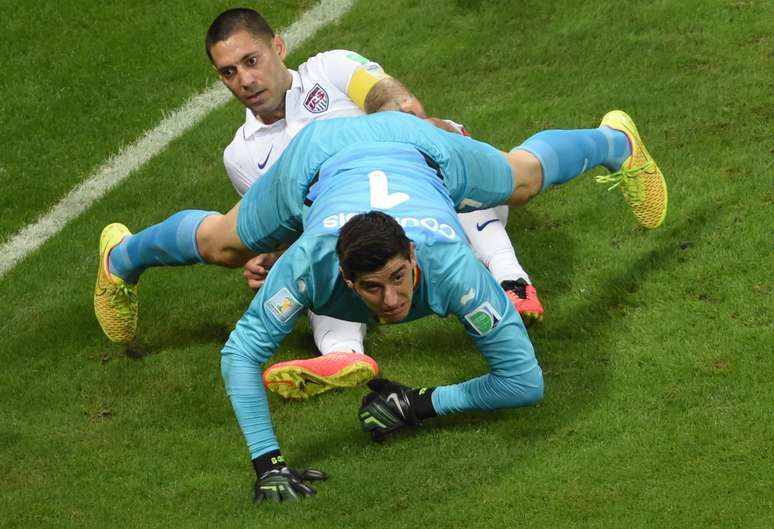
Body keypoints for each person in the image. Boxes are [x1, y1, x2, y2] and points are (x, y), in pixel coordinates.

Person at [94, 109, 667, 502]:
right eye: (372, 289)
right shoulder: (308, 262)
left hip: (416, 145)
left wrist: (423, 405)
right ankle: (121, 258)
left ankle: (617, 142)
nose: (392, 301)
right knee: (225, 243)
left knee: (519, 180)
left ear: (412, 255)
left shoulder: (453, 268)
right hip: (315, 160)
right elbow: (240, 354)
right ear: (343, 277)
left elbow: (525, 383)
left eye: (398, 278)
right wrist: (267, 462)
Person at [206, 8, 542, 394]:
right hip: (359, 236)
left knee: (443, 188)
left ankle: (510, 279)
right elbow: (292, 231)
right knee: (324, 259)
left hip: (419, 178)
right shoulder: (240, 156)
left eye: (251, 61)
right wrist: (270, 257)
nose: (245, 80)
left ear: (278, 47)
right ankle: (341, 354)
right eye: (229, 72)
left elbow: (403, 109)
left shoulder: (328, 69)